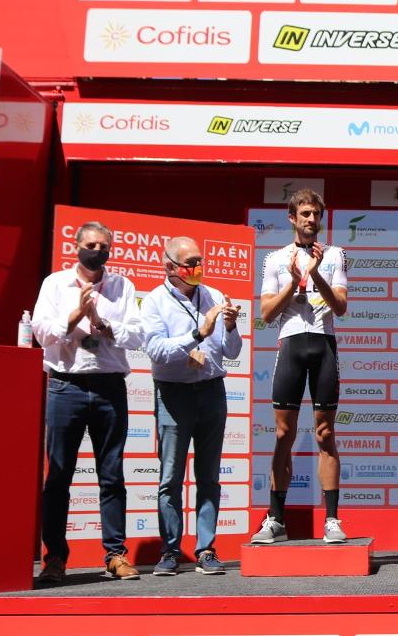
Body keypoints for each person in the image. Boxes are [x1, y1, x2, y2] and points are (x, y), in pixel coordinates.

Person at [31, 221, 144, 583]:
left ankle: (115, 555)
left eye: (103, 246)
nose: (97, 251)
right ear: (76, 246)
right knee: (59, 475)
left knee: (111, 475)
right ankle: (55, 558)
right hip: (65, 387)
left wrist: (103, 322)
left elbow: (137, 334)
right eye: (91, 244)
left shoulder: (122, 285)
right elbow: (40, 331)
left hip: (110, 387)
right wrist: (75, 317)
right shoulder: (55, 284)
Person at [140, 236, 242, 575]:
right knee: (170, 477)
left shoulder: (211, 294)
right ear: (169, 266)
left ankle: (206, 549)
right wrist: (198, 334)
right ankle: (170, 551)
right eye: (190, 262)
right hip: (174, 394)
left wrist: (229, 326)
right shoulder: (154, 301)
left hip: (212, 391)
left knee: (209, 476)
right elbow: (156, 350)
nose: (197, 268)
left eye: (200, 261)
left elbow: (232, 352)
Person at [252, 189, 349, 544]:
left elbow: (339, 307)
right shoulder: (275, 258)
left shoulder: (335, 254)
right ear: (292, 218)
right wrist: (294, 279)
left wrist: (316, 273)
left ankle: (333, 520)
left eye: (316, 215)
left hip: (323, 344)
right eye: (305, 214)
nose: (312, 220)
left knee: (325, 433)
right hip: (291, 344)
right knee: (283, 434)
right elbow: (265, 313)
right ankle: (276, 519)